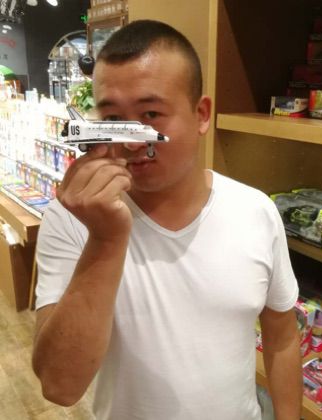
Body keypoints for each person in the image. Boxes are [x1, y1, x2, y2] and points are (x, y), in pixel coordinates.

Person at [32, 20, 302, 420]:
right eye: (112, 119)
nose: (131, 141)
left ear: (201, 114)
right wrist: (106, 240)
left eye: (151, 113)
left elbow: (282, 338)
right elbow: (59, 386)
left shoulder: (256, 211)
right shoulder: (71, 218)